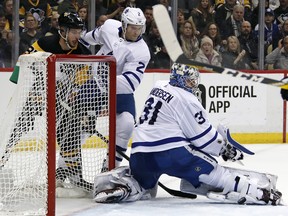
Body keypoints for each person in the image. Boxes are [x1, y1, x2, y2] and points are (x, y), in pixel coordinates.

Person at [91, 63, 282, 205]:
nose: (193, 84)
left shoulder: (159, 85)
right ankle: (258, 192)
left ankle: (124, 186)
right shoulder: (187, 99)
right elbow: (204, 140)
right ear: (181, 80)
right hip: (171, 155)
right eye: (190, 80)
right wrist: (226, 150)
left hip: (140, 155)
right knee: (215, 171)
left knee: (146, 187)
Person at [9, 12, 95, 192]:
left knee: (68, 134)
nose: (77, 36)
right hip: (39, 93)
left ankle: (75, 175)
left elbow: (83, 82)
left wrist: (77, 101)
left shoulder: (82, 52)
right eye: (73, 32)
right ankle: (2, 160)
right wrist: (23, 83)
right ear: (62, 31)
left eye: (79, 32)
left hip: (63, 101)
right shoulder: (47, 43)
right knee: (20, 127)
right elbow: (23, 61)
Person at [81, 7, 150, 167]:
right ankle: (67, 167)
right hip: (95, 84)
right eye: (133, 27)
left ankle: (110, 167)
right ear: (124, 25)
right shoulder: (109, 27)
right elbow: (86, 39)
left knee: (126, 123)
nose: (136, 32)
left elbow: (129, 83)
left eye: (139, 28)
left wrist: (106, 78)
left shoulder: (142, 51)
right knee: (78, 123)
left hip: (119, 91)